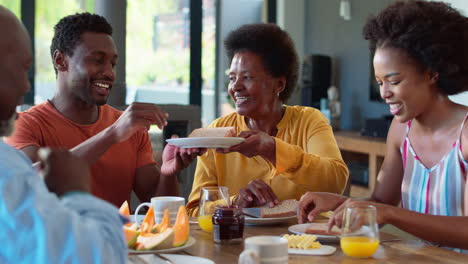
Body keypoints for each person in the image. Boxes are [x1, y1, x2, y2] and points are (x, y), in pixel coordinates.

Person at [298, 0, 468, 252]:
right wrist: (337, 202)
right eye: (379, 82)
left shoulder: (464, 133)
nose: (384, 93)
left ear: (432, 73)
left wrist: (390, 213)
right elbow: (379, 203)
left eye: (394, 81)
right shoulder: (401, 132)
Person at [5, 13, 203, 207]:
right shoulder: (25, 124)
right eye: (97, 60)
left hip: (118, 239)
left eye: (113, 63)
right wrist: (113, 134)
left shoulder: (130, 129)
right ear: (60, 60)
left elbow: (156, 205)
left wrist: (168, 173)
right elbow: (28, 187)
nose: (109, 73)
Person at [0, 6, 127, 263]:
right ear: (61, 61)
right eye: (23, 69)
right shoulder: (8, 166)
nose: (26, 85)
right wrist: (76, 193)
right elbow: (96, 258)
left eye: (112, 63)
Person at [186, 23, 348, 216]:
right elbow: (195, 211)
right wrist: (235, 202)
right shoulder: (218, 130)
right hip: (239, 243)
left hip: (305, 242)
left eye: (247, 77)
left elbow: (335, 183)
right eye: (232, 78)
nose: (235, 87)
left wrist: (272, 149)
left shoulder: (309, 120)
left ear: (279, 84)